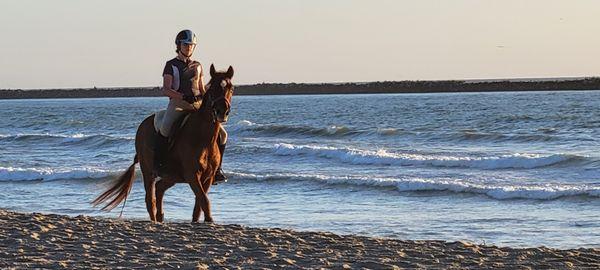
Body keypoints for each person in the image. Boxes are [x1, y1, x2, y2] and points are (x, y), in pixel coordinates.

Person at [155, 29, 228, 184]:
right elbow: (166, 89)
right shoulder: (171, 65)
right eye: (185, 44)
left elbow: (201, 88)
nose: (188, 47)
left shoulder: (198, 65)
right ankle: (160, 164)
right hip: (178, 104)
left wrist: (208, 97)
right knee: (165, 128)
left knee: (222, 134)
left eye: (191, 45)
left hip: (197, 104)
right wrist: (183, 96)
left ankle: (217, 169)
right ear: (179, 45)